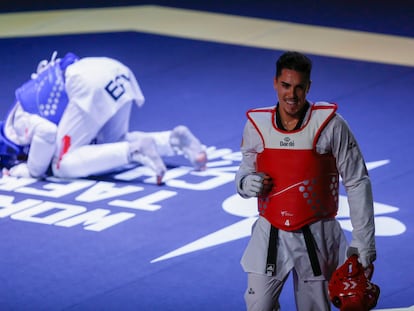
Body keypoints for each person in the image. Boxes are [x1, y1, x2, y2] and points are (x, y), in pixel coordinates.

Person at [235, 51, 376, 310]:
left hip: (318, 235)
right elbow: (245, 170)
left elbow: (357, 181)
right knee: (258, 305)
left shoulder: (331, 125)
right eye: (286, 85)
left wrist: (364, 242)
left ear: (309, 87)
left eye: (299, 87)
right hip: (270, 233)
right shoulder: (257, 125)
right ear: (275, 83)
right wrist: (246, 183)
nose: (292, 95)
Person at [0, 51, 207, 184]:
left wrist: (32, 171)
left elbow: (46, 133)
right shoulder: (21, 108)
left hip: (86, 83)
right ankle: (173, 139)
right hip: (113, 70)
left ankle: (135, 150)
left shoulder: (19, 122)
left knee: (61, 165)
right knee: (109, 145)